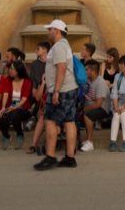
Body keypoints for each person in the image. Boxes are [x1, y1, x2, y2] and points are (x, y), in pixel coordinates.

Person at [33, 20, 79, 171]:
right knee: (69, 121)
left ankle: (50, 157)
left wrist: (56, 91)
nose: (48, 31)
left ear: (57, 31)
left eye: (50, 29)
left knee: (49, 120)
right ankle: (70, 157)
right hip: (69, 88)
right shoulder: (64, 44)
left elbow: (61, 68)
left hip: (61, 90)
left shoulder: (59, 46)